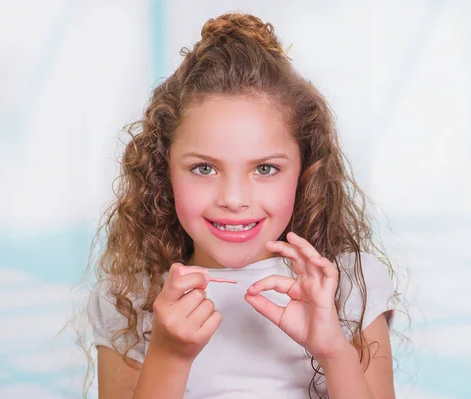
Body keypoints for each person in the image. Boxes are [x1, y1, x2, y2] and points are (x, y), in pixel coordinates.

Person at [87, 11, 400, 399]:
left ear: (305, 170)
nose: (233, 199)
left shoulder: (349, 284)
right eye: (204, 168)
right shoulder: (130, 297)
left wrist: (333, 349)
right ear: (163, 170)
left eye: (265, 168)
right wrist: (169, 356)